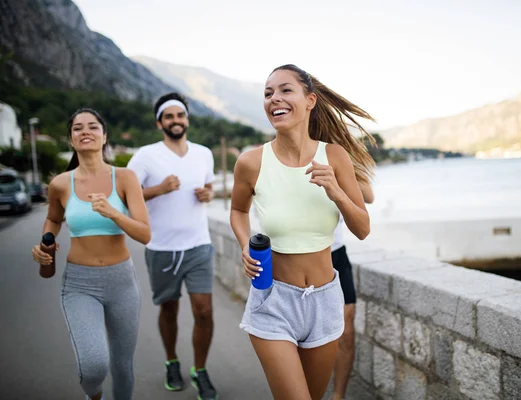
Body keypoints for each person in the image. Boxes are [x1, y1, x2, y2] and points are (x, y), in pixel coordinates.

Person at [230, 64, 376, 400]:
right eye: (268, 93)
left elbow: (363, 228)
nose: (274, 99)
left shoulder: (335, 156)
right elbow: (238, 210)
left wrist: (337, 191)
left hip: (325, 301)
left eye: (284, 90)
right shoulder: (251, 162)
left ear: (309, 100)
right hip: (273, 300)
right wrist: (243, 245)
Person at [31, 108, 151, 400]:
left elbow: (145, 234)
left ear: (104, 136)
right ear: (71, 140)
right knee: (94, 365)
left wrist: (113, 213)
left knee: (122, 366)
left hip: (122, 282)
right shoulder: (60, 184)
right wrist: (45, 243)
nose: (85, 131)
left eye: (93, 126)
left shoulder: (125, 178)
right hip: (80, 284)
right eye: (78, 128)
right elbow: (54, 219)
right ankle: (93, 395)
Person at [126, 92, 218, 399]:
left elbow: (208, 186)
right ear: (159, 123)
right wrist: (158, 189)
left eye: (180, 115)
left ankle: (200, 370)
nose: (175, 120)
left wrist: (209, 194)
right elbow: (127, 196)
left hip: (198, 245)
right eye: (169, 116)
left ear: (187, 120)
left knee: (204, 310)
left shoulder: (204, 153)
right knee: (169, 308)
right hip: (161, 247)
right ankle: (172, 362)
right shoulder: (144, 156)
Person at [330, 182, 374, 400]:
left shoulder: (337, 155)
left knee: (346, 330)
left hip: (336, 253)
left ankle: (338, 395)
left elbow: (369, 196)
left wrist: (344, 168)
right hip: (302, 255)